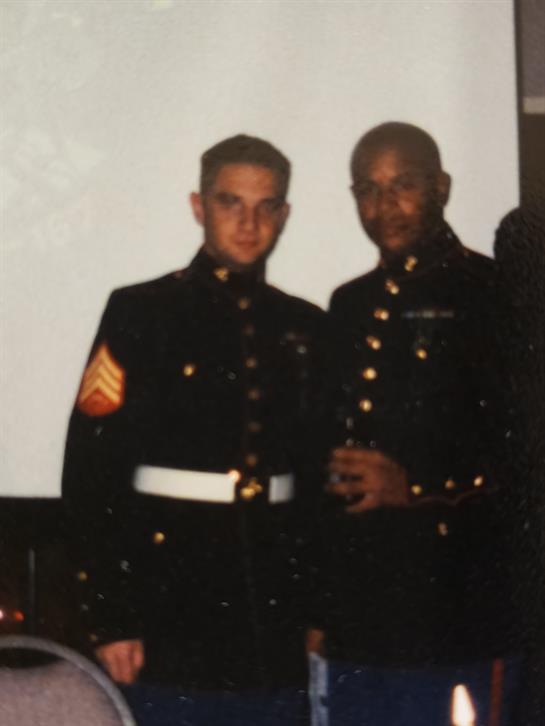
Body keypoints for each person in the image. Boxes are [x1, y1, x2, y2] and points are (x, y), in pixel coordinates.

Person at [62, 134, 330, 726]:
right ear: (198, 206)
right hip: (169, 608)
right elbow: (91, 472)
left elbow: (315, 482)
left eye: (265, 206)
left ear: (284, 214)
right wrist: (110, 617)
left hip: (272, 614)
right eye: (230, 202)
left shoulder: (305, 326)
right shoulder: (142, 312)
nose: (248, 223)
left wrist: (318, 609)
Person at [313, 122, 523, 725]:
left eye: (402, 184)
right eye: (368, 190)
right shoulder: (349, 304)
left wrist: (418, 486)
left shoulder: (498, 293)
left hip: (460, 613)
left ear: (442, 187)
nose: (385, 206)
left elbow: (527, 454)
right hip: (362, 620)